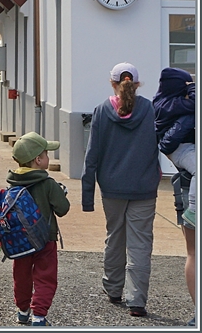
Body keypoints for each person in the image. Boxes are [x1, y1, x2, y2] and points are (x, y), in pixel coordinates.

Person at [81, 62, 160, 317]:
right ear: (136, 85)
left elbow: (92, 155)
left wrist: (87, 196)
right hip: (144, 187)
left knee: (115, 237)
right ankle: (137, 301)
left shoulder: (102, 111)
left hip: (112, 188)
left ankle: (114, 289)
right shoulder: (149, 109)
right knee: (140, 243)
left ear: (112, 83)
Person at [8, 132, 71, 326]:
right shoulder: (48, 184)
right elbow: (63, 209)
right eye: (46, 154)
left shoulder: (12, 184)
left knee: (22, 276)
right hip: (45, 241)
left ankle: (23, 311)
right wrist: (61, 194)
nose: (48, 157)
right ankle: (39, 316)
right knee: (45, 277)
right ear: (38, 160)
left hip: (20, 242)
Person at [153, 66, 196, 325]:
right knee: (193, 253)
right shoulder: (173, 104)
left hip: (185, 182)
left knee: (193, 253)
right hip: (190, 188)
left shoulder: (164, 102)